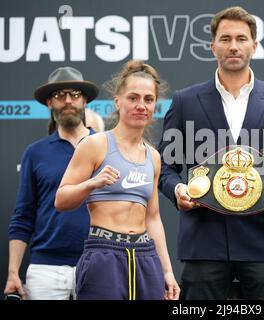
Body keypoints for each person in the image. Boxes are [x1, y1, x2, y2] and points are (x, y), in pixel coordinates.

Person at [158, 6, 264, 300]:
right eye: (225, 39)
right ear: (212, 46)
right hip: (204, 241)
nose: (234, 46)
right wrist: (178, 190)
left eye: (241, 38)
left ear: (255, 45)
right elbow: (165, 167)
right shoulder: (185, 101)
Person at [54, 60, 180, 300]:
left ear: (155, 105)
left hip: (145, 255)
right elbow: (61, 200)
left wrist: (167, 271)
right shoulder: (96, 144)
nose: (141, 105)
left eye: (148, 99)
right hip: (104, 254)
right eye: (133, 98)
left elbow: (153, 218)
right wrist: (92, 183)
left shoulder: (153, 156)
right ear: (118, 102)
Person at [4, 67, 98, 300]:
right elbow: (23, 216)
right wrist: (13, 272)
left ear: (84, 99)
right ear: (49, 102)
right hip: (45, 268)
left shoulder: (106, 145)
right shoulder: (35, 153)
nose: (68, 101)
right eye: (59, 95)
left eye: (75, 94)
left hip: (98, 262)